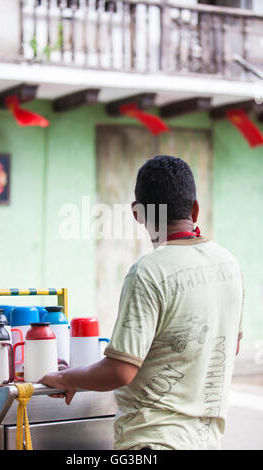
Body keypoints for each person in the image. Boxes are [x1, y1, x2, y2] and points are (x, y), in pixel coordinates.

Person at [39, 155, 244, 450]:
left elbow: (120, 371)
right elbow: (228, 347)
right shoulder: (229, 264)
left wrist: (67, 377)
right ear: (195, 209)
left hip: (153, 442)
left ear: (138, 213)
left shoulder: (149, 271)